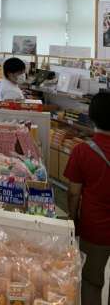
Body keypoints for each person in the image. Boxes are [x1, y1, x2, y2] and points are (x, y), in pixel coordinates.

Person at [65, 92, 110, 304]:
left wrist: (72, 218)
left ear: (91, 117)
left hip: (95, 229)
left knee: (92, 281)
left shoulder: (82, 151)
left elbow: (74, 192)